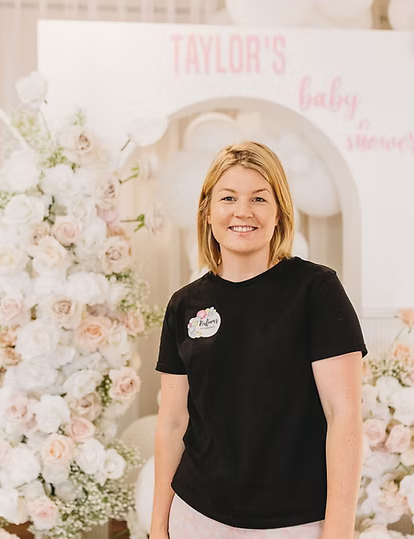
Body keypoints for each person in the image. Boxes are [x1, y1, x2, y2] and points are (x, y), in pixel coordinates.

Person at [150, 141, 368, 539]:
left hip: (294, 523)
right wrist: (157, 527)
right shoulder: (184, 305)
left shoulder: (316, 290)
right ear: (208, 211)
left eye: (259, 198)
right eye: (228, 197)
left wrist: (339, 531)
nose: (243, 211)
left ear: (280, 211)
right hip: (196, 517)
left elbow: (345, 416)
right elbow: (172, 422)